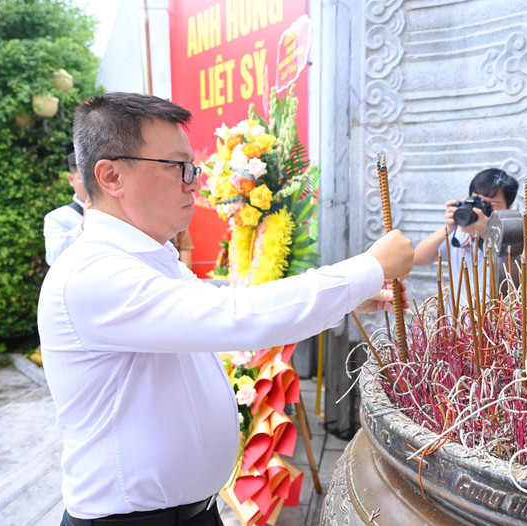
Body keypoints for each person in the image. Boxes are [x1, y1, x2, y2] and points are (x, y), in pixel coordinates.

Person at [37, 92, 414, 526]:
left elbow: (218, 313)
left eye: (192, 169)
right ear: (112, 176)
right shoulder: (91, 273)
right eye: (178, 167)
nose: (193, 183)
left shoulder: (151, 259)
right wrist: (368, 267)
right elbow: (238, 315)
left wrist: (348, 296)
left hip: (192, 512)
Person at [413, 168, 518, 288]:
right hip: (460, 306)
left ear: (508, 207)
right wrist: (449, 227)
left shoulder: (514, 233)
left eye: (492, 204)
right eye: (478, 201)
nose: (483, 209)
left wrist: (488, 233)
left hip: (497, 306)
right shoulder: (459, 233)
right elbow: (418, 259)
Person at [43, 152, 90, 266]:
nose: (91, 183)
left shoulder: (121, 210)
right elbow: (53, 259)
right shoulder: (57, 218)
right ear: (71, 179)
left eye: (94, 176)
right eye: (84, 177)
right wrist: (83, 226)